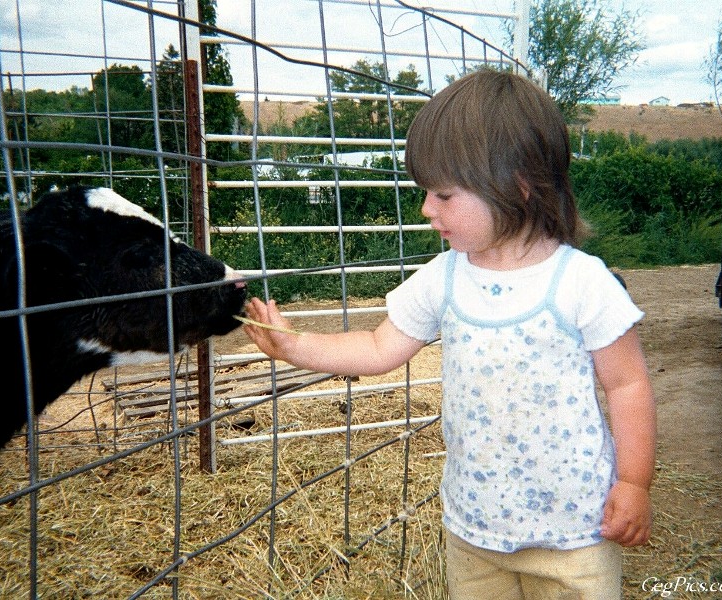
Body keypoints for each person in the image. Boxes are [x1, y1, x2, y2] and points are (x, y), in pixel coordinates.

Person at [242, 68, 656, 599]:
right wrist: (297, 346)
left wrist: (634, 483)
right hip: (474, 531)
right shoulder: (446, 276)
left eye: (442, 194)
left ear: (517, 185)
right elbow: (378, 345)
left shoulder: (583, 283)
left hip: (577, 534)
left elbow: (628, 387)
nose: (426, 209)